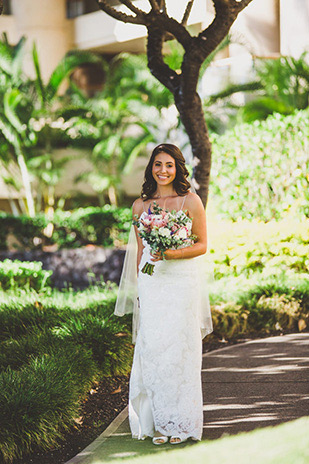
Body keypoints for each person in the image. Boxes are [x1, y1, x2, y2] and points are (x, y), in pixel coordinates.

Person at [115, 143, 213, 445]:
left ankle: (182, 422)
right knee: (153, 349)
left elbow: (201, 246)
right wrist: (139, 290)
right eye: (157, 164)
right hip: (152, 283)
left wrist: (171, 254)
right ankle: (157, 422)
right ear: (151, 168)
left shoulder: (190, 201)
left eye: (169, 165)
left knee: (180, 349)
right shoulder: (139, 207)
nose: (163, 170)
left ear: (178, 168)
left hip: (181, 281)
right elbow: (141, 251)